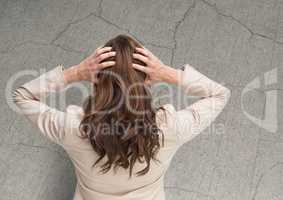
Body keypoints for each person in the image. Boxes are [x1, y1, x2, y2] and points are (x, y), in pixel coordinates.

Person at [12, 34, 231, 200]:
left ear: (96, 80)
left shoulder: (71, 128)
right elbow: (220, 94)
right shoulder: (170, 128)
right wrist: (168, 73)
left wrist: (75, 73)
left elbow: (21, 95)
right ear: (147, 80)